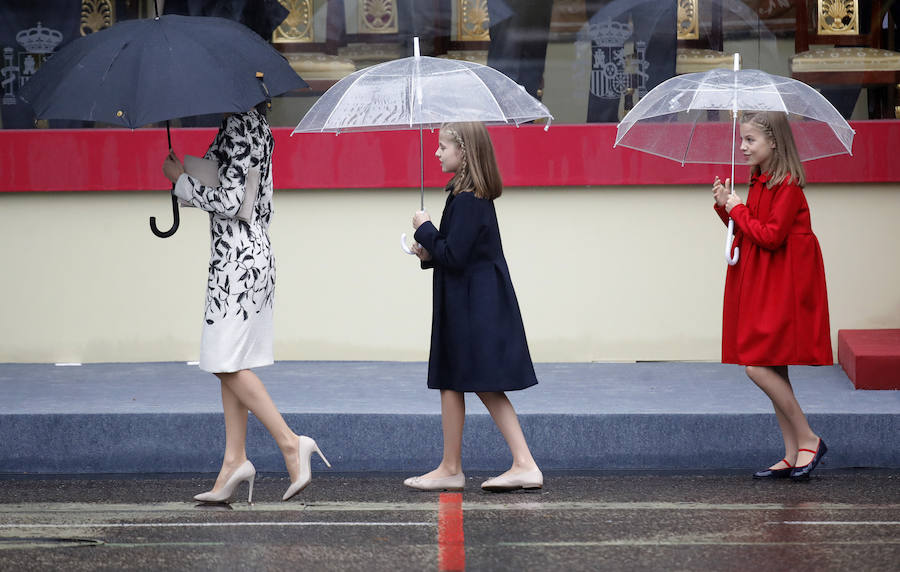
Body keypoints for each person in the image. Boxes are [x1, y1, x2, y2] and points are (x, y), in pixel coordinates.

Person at [162, 95, 329, 504]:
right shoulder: (250, 126)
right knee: (229, 360)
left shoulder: (240, 127)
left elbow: (232, 201)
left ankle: (292, 444)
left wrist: (180, 180)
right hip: (245, 255)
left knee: (223, 361)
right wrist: (185, 175)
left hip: (237, 261)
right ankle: (233, 462)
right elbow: (231, 187)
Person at [406, 121, 542, 492]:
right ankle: (450, 466)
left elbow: (456, 253)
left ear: (463, 152)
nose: (437, 153)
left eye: (443, 147)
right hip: (464, 301)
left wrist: (425, 229)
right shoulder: (464, 195)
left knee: (485, 384)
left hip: (474, 305)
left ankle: (525, 464)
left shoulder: (469, 199)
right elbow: (454, 250)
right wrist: (428, 248)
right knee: (451, 380)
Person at [711, 111, 831, 480]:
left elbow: (770, 235)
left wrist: (737, 207)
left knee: (757, 364)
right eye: (742, 139)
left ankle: (810, 438)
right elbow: (749, 229)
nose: (742, 147)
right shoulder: (761, 182)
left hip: (785, 286)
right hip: (768, 280)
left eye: (750, 140)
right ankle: (793, 452)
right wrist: (724, 205)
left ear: (774, 143)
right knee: (773, 365)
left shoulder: (788, 186)